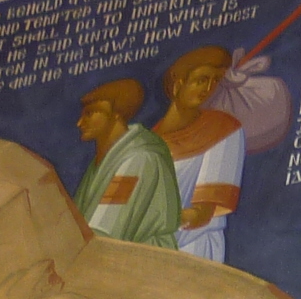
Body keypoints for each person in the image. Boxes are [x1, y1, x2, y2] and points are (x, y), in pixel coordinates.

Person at [155, 45, 247, 263]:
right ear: (178, 83)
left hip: (194, 248)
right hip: (148, 250)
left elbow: (203, 213)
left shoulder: (223, 130)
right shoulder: (148, 142)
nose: (208, 88)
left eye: (215, 81)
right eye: (201, 80)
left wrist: (152, 222)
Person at [70, 77, 180, 248]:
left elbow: (105, 229)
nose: (80, 123)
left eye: (90, 113)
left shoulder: (138, 160)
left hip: (142, 259)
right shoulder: (103, 161)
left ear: (116, 113)